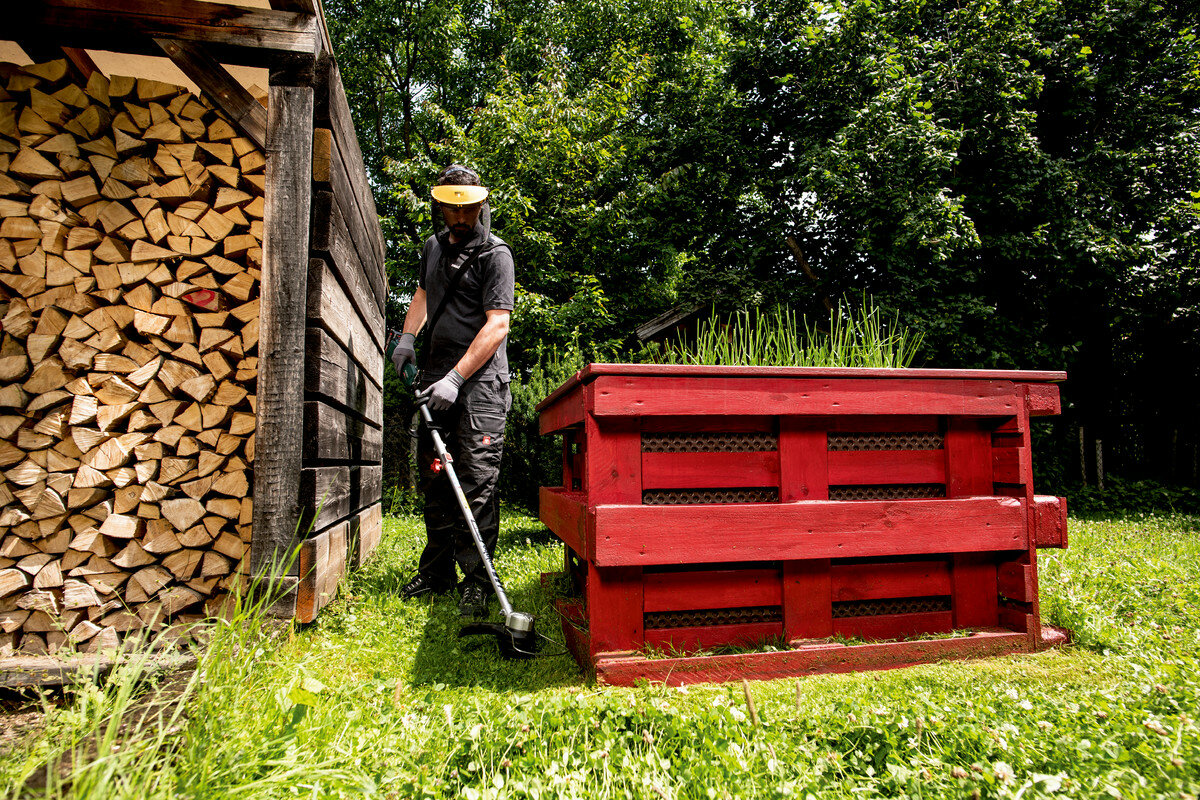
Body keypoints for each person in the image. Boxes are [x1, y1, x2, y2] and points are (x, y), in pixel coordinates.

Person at [391, 165, 515, 618]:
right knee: (435, 474)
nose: (460, 216)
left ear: (481, 204)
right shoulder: (432, 247)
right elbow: (423, 294)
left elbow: (497, 324)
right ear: (439, 204)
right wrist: (407, 339)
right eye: (452, 207)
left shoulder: (495, 254)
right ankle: (439, 570)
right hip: (434, 374)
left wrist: (457, 379)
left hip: (479, 383)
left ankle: (478, 580)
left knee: (477, 480)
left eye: (468, 207)